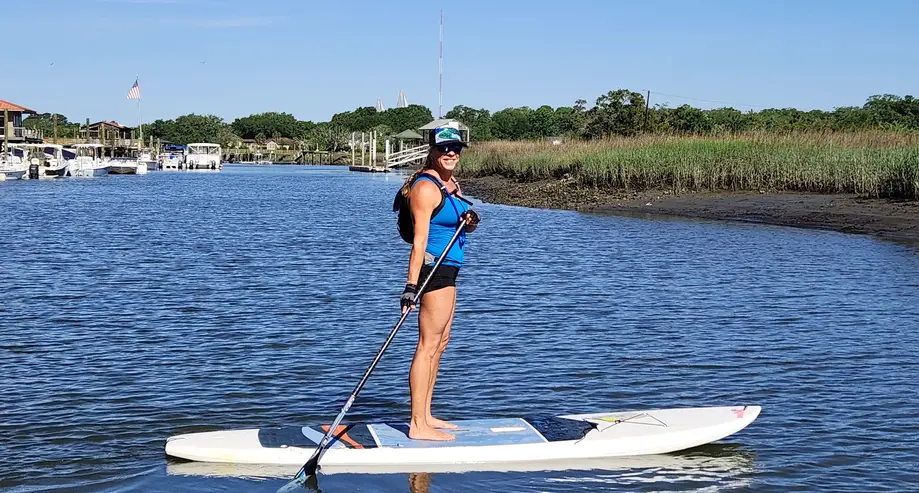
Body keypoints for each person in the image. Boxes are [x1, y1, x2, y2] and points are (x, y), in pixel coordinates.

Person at [399, 124, 480, 441]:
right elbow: (419, 242)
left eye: (456, 149)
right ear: (432, 151)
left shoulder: (451, 184)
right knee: (427, 345)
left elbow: (456, 225)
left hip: (450, 270)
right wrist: (410, 286)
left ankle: (427, 414)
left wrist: (470, 222)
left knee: (441, 343)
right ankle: (417, 424)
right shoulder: (426, 188)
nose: (451, 153)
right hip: (433, 271)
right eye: (445, 148)